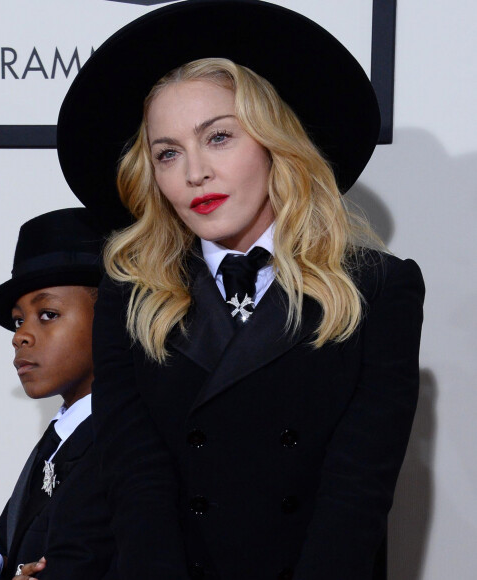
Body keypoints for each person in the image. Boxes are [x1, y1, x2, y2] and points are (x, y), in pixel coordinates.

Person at [56, 2, 425, 579]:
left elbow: (357, 492)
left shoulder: (377, 287)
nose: (194, 172)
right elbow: (137, 488)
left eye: (219, 137)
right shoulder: (131, 299)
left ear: (275, 142)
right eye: (168, 153)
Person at [0, 208, 117, 580]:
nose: (19, 335)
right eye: (19, 320)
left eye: (48, 314)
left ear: (111, 318)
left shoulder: (123, 442)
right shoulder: (59, 436)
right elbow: (6, 539)